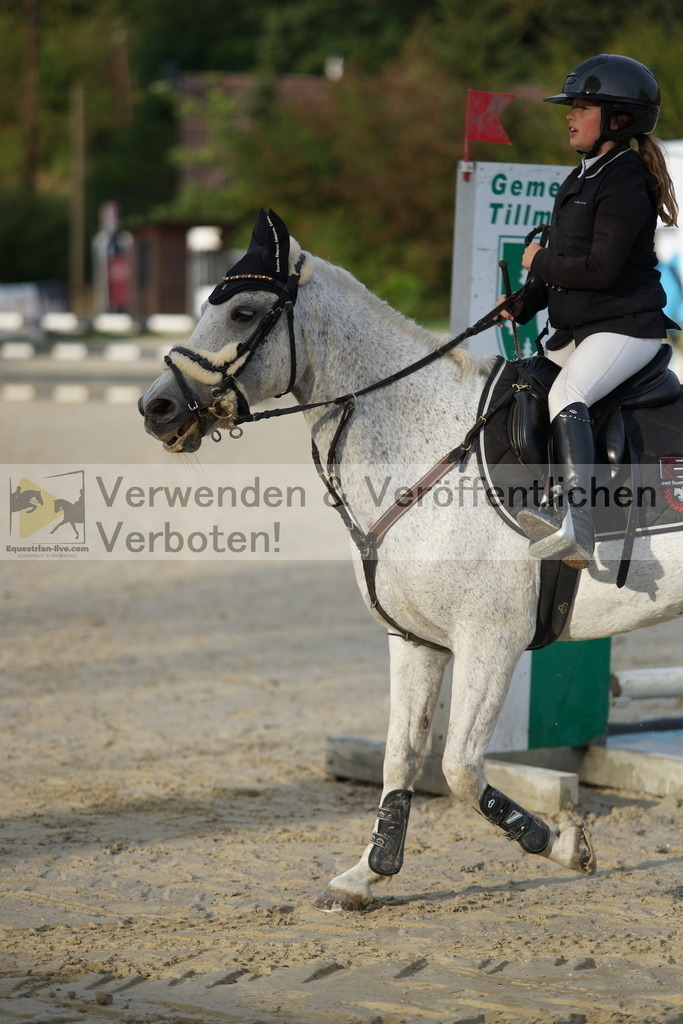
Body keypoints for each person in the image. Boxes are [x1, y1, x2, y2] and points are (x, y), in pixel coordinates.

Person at [500, 53, 678, 569]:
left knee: (567, 393)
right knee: (523, 387)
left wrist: (537, 259)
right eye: (570, 107)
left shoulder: (624, 180)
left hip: (625, 328)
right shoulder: (580, 178)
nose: (570, 116)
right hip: (583, 329)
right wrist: (524, 301)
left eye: (582, 107)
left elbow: (598, 270)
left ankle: (578, 524)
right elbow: (565, 262)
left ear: (618, 120)